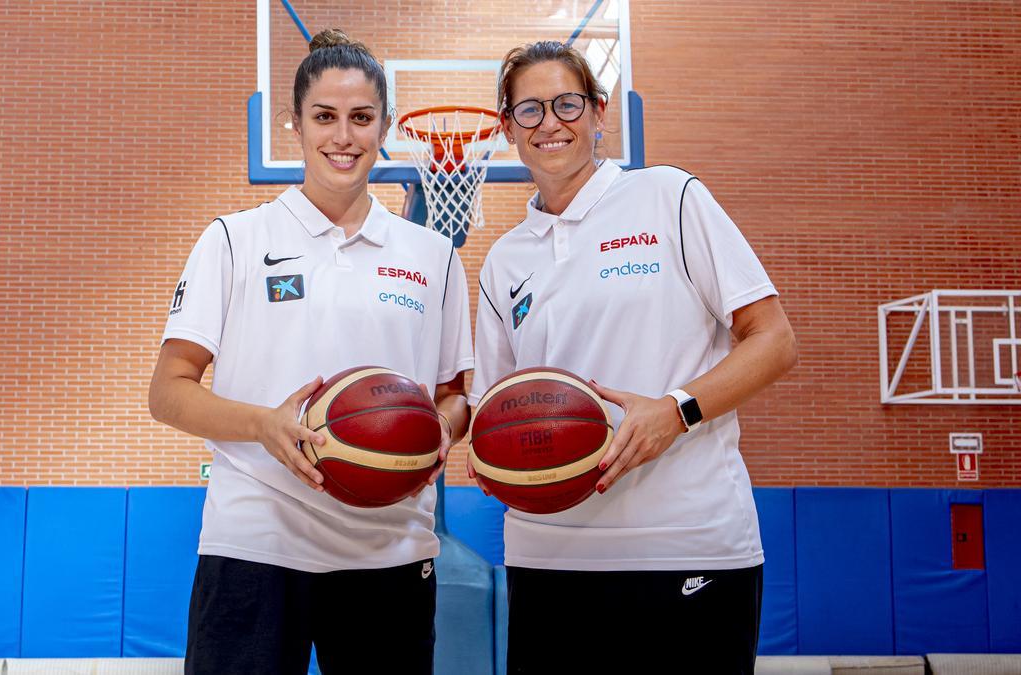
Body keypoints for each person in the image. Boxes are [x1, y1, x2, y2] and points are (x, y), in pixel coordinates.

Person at [148, 29, 473, 675]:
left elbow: (455, 394)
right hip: (254, 543)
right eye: (324, 116)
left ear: (383, 126)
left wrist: (441, 427)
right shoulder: (234, 240)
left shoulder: (432, 256)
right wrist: (264, 425)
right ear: (293, 123)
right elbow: (169, 390)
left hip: (391, 548)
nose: (342, 137)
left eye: (360, 118)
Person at [469, 41, 798, 674]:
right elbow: (493, 411)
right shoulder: (505, 260)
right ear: (508, 128)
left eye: (566, 103)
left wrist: (676, 411)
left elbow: (774, 340)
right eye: (530, 110)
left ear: (597, 113)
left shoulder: (669, 198)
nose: (550, 123)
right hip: (549, 556)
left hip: (688, 544)